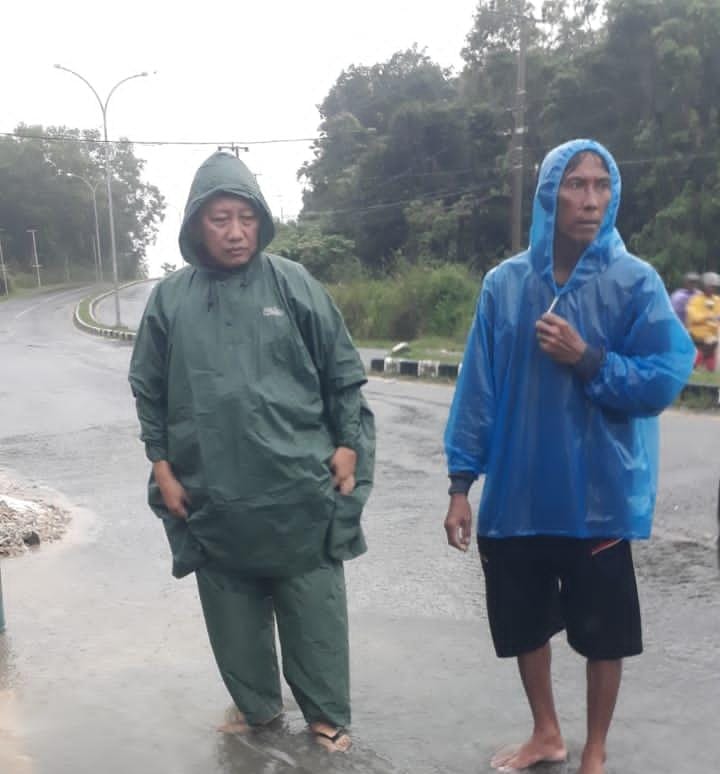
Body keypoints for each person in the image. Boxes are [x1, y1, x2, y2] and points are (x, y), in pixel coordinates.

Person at [443, 139, 695, 774]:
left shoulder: (634, 281)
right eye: (575, 185)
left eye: (600, 185)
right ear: (549, 194)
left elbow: (667, 374)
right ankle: (547, 733)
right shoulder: (504, 285)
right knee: (524, 623)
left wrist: (590, 360)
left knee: (602, 631)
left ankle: (597, 750)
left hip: (600, 493)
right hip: (520, 492)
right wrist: (460, 483)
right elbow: (479, 386)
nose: (588, 199)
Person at [129, 150, 375, 753]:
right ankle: (257, 705)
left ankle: (325, 713)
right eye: (219, 219)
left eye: (244, 217)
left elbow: (342, 371)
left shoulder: (293, 284)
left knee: (312, 605)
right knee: (231, 608)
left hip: (298, 489)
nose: (235, 232)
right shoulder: (171, 301)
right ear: (195, 226)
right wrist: (162, 466)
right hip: (213, 495)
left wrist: (347, 445)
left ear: (261, 220)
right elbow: (148, 389)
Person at [686, 271, 720, 371]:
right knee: (711, 343)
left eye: (714, 287)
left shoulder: (717, 300)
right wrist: (708, 317)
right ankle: (694, 366)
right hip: (697, 332)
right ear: (704, 286)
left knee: (712, 342)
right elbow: (693, 317)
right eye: (710, 286)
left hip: (712, 334)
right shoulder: (695, 300)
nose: (712, 289)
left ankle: (709, 370)